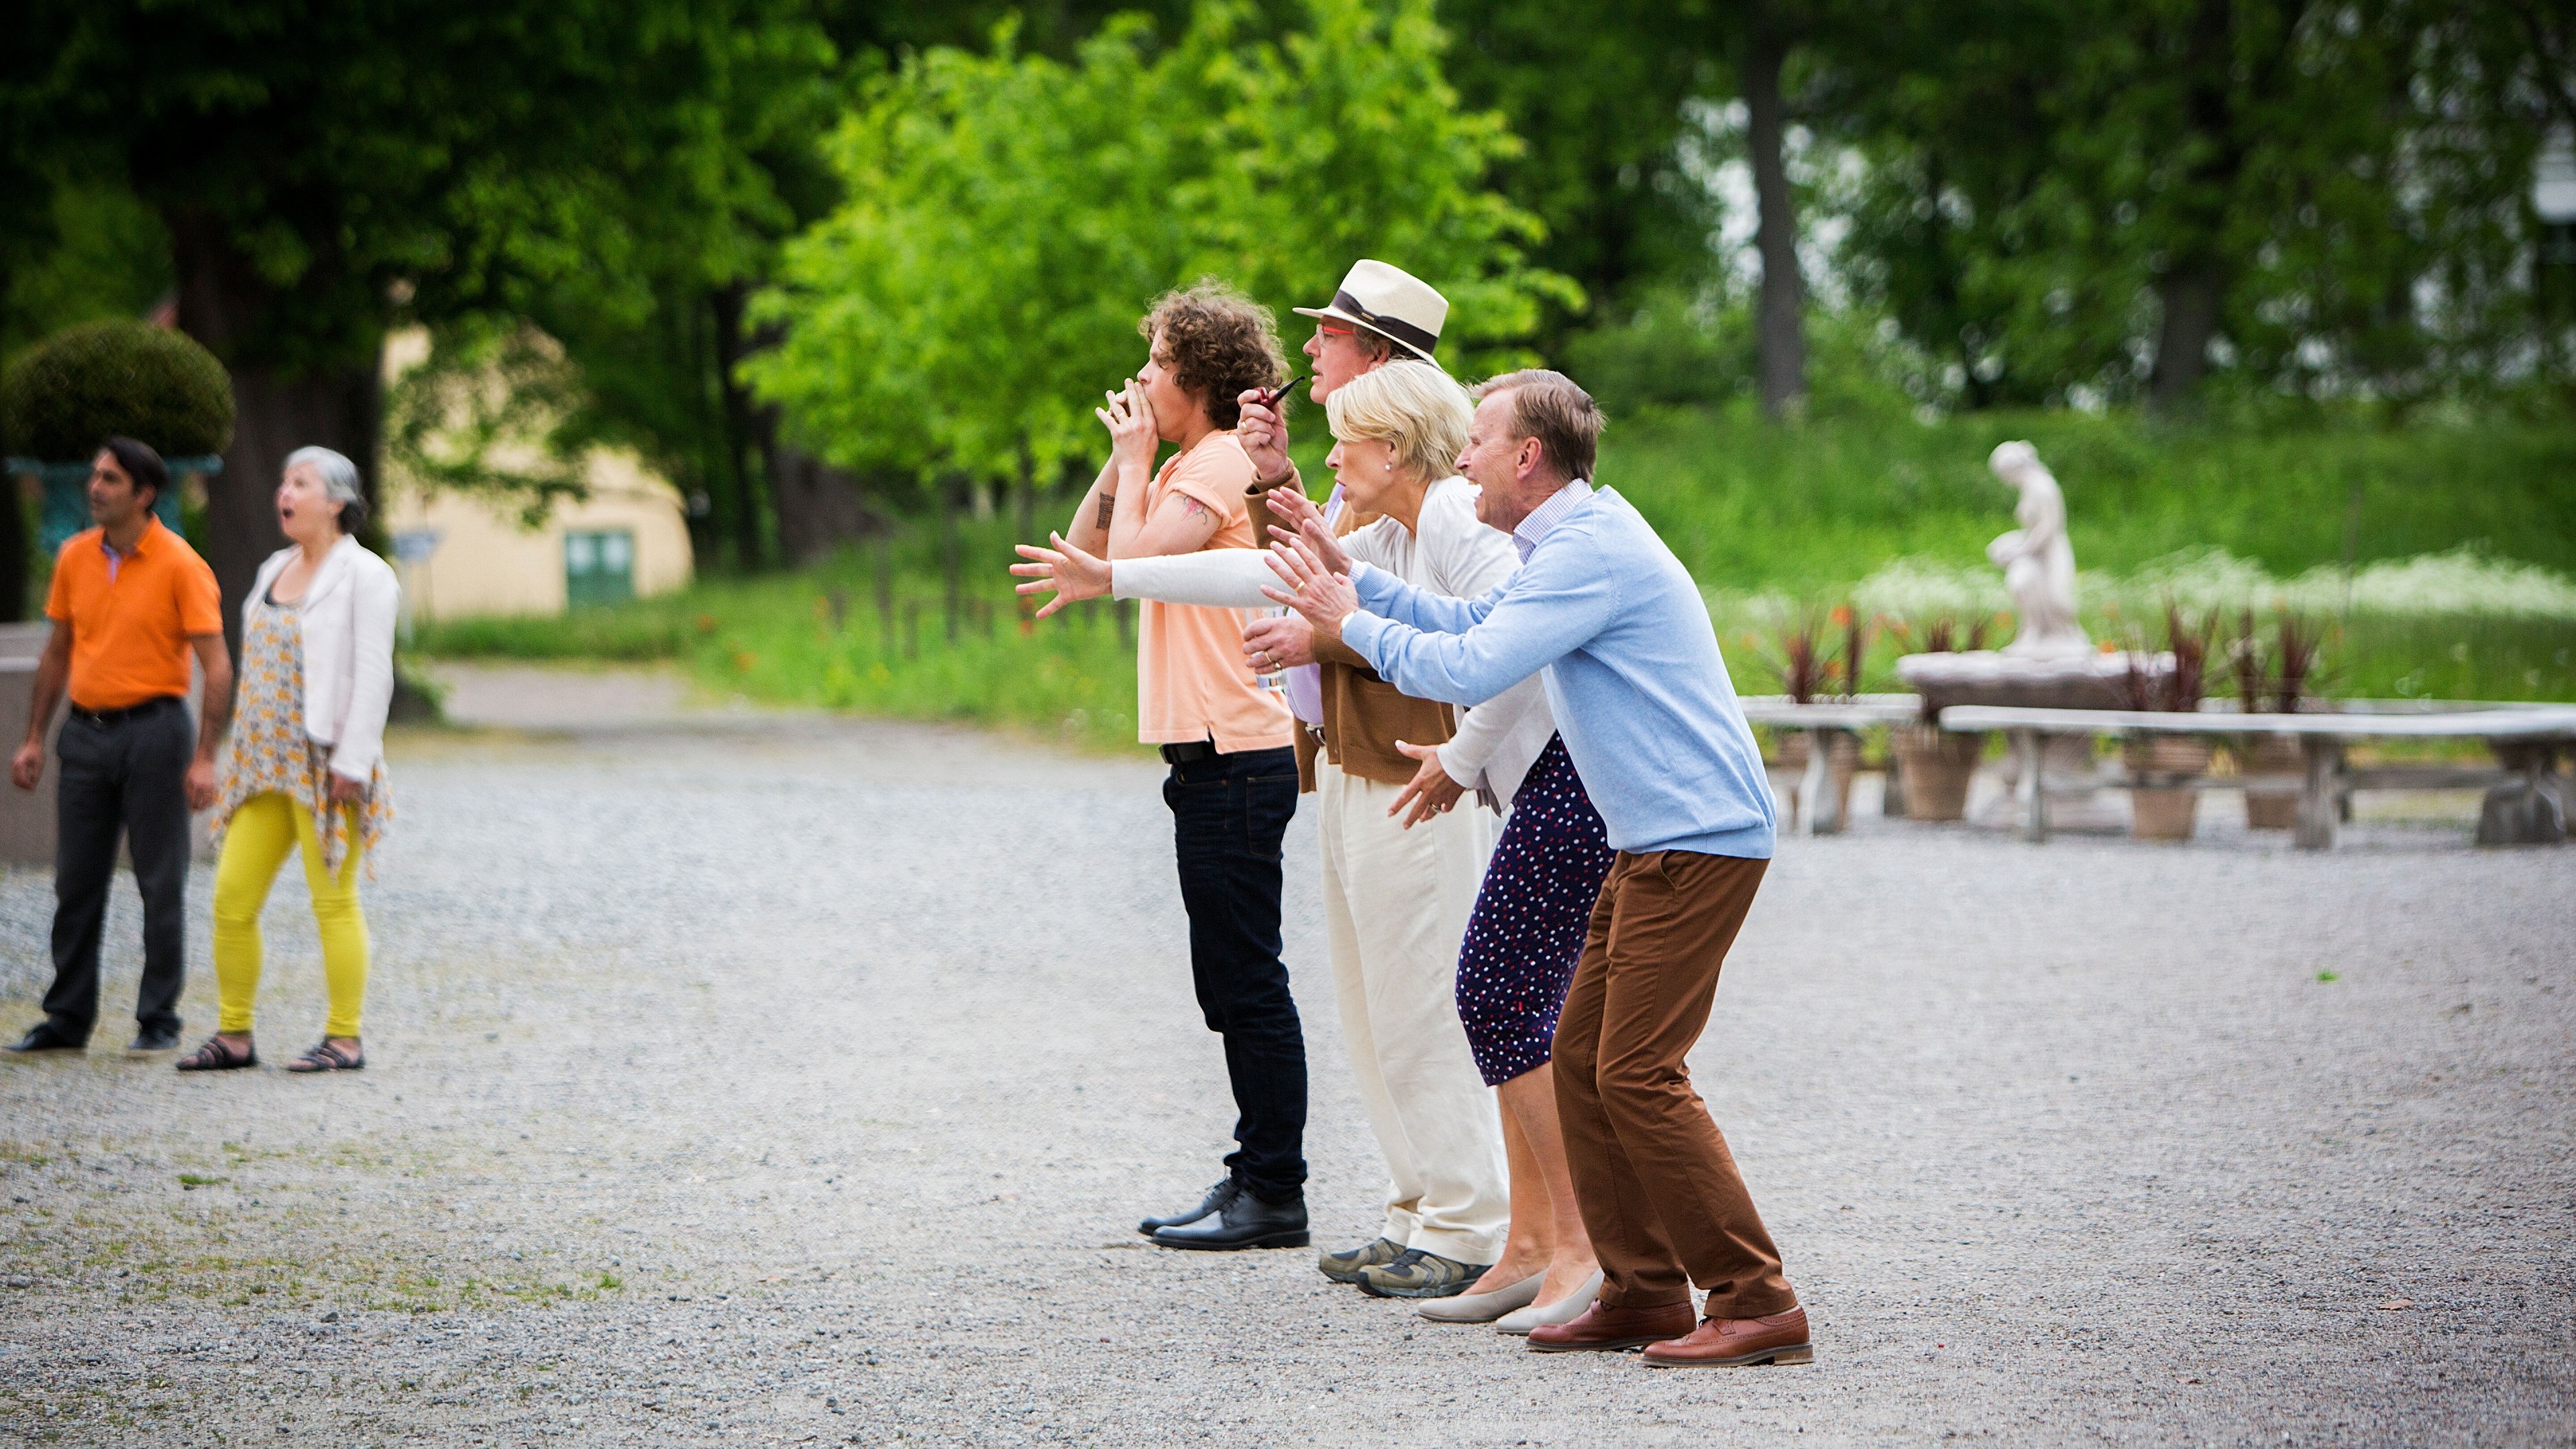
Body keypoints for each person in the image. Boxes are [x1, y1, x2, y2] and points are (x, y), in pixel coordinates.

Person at [1261, 370, 1812, 1368]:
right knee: (1583, 1057)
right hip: (1653, 840)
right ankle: (1643, 1290)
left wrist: (1346, 624)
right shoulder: (1562, 545)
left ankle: (1756, 1296)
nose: (1462, 455)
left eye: (1479, 438)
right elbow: (1477, 630)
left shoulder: (1587, 552)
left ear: (1528, 456)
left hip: (1701, 841)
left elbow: (1469, 673)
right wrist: (1359, 584)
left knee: (1639, 1071)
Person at [1019, 362, 1536, 1299]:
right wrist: (1118, 575)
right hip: (1364, 761)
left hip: (1414, 775)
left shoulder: (1454, 520)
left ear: (1393, 445)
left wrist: (1434, 737)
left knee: (1419, 1001)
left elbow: (1497, 645)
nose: (1329, 454)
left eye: (1347, 439)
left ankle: (1468, 1222)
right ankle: (1417, 1208)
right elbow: (1268, 571)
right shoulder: (1383, 523)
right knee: (1374, 1004)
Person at [1058, 282, 1309, 1251]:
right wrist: (1122, 464)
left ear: (1199, 378)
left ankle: (1274, 1190)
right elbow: (1087, 553)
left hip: (1238, 753)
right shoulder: (1185, 464)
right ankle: (1254, 1172)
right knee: (1229, 975)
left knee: (1246, 979)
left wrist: (1138, 456)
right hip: (1209, 758)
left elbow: (1131, 577)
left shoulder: (1215, 462)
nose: (1143, 377)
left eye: (1159, 363)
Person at [6, 438, 231, 1057]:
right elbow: (57, 653)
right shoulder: (74, 556)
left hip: (156, 732)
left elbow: (217, 666)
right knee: (76, 882)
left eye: (109, 479)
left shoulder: (182, 564)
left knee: (160, 881)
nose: (94, 487)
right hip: (85, 733)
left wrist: (206, 755)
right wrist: (33, 739)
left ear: (144, 494)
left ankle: (159, 1018)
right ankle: (67, 1018)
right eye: (94, 476)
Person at [176, 447, 397, 1074]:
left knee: (332, 901)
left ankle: (344, 1038)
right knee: (231, 899)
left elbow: (374, 673)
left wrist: (353, 761)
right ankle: (235, 1034)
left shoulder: (367, 575)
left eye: (299, 483)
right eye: (283, 481)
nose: (285, 492)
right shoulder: (274, 566)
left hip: (327, 766)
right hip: (263, 765)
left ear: (337, 502)